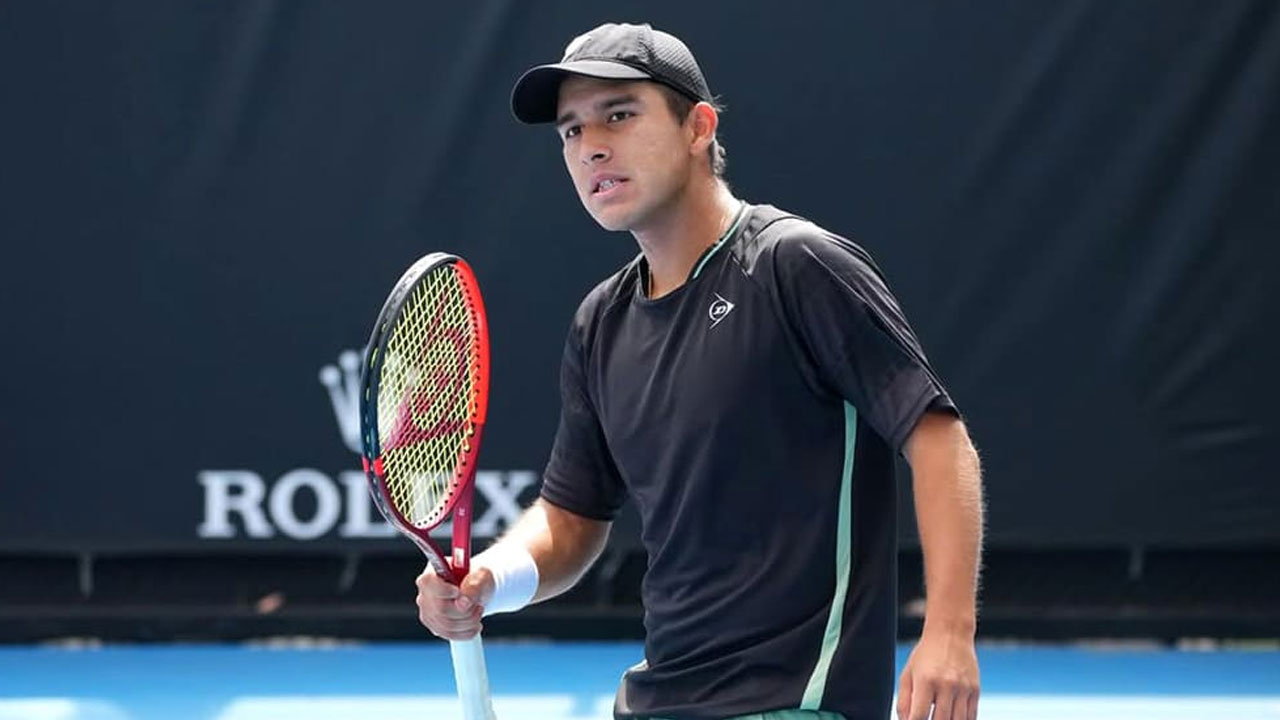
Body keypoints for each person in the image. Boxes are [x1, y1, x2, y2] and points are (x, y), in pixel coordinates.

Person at [416, 22, 984, 720]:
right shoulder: (602, 322)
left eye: (619, 115)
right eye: (570, 131)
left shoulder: (796, 267)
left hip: (796, 702)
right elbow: (571, 516)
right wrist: (489, 580)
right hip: (660, 698)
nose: (591, 145)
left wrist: (949, 635)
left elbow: (937, 439)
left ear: (698, 128)